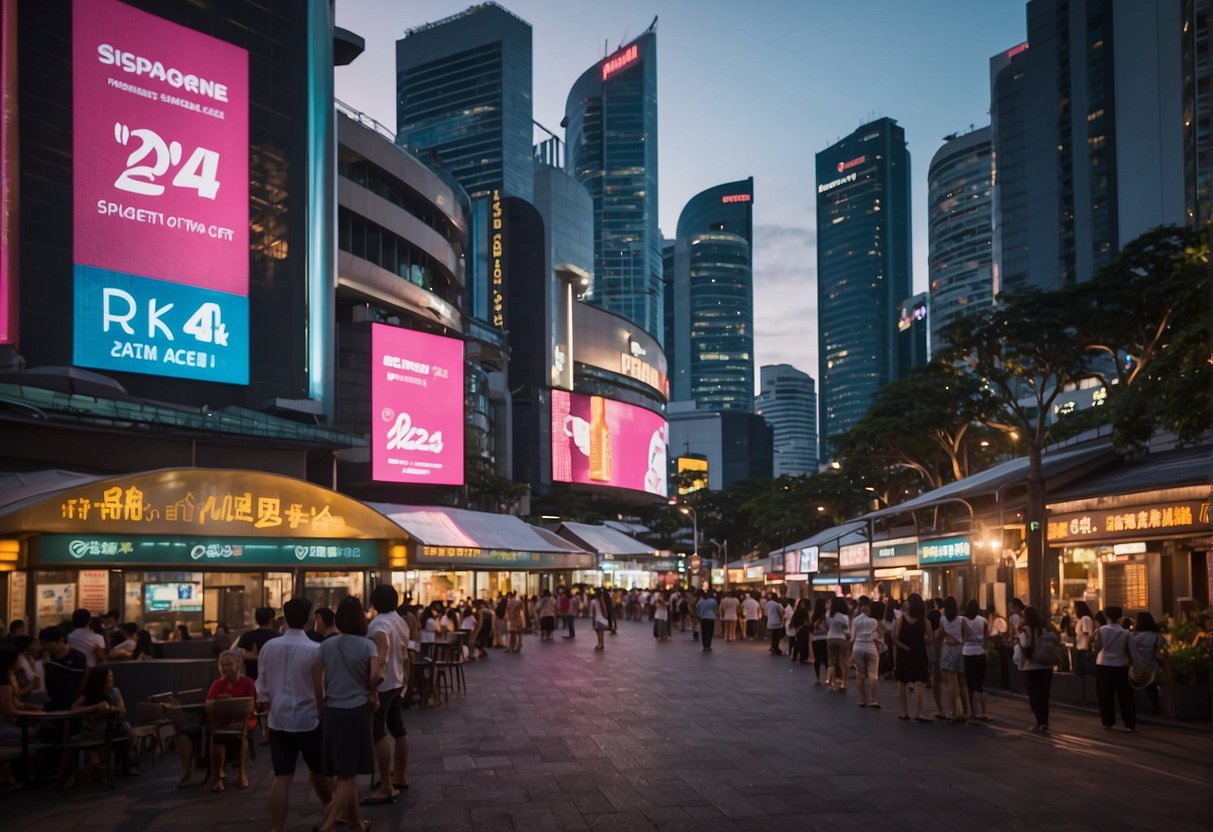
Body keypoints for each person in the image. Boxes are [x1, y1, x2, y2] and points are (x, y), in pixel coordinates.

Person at [255, 597, 333, 832]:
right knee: (320, 773)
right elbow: (323, 687)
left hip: (278, 720)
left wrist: (270, 717)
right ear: (310, 619)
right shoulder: (316, 649)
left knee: (282, 777)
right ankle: (331, 813)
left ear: (285, 618)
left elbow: (262, 689)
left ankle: (277, 828)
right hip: (309, 719)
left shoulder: (269, 647)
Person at [316, 597, 381, 832]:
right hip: (357, 712)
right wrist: (372, 690)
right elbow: (375, 676)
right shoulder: (368, 645)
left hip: (333, 710)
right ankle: (330, 823)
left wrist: (322, 708)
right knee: (348, 774)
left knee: (342, 769)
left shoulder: (326, 646)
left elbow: (317, 680)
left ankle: (355, 822)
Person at [365, 585, 411, 805]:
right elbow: (405, 654)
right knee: (397, 728)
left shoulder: (379, 623)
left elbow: (382, 646)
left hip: (382, 685)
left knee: (378, 730)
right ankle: (400, 776)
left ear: (374, 602)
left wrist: (376, 677)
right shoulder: (400, 620)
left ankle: (386, 785)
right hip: (397, 681)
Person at [206, 650, 257, 791]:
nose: (226, 668)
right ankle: (219, 776)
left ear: (238, 664)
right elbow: (208, 705)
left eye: (229, 664)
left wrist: (231, 704)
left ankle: (242, 773)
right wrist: (220, 703)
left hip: (243, 721)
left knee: (238, 732)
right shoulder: (218, 684)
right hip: (222, 721)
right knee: (217, 735)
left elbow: (250, 705)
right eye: (223, 665)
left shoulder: (248, 682)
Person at [1092, 605, 1136, 732]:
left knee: (1105, 694)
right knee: (1125, 695)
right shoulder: (1126, 632)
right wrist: (1138, 666)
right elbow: (1132, 652)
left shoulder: (1101, 630)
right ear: (1120, 617)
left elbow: (1097, 647)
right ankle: (1129, 723)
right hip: (1121, 665)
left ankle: (1108, 721)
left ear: (1106, 616)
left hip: (1103, 664)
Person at [893, 593, 932, 722]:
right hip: (919, 653)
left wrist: (904, 647)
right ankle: (920, 712)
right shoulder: (925, 621)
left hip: (904, 654)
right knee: (919, 682)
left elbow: (895, 637)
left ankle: (904, 712)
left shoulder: (901, 619)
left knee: (902, 682)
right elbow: (930, 640)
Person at [1018, 605, 1053, 733]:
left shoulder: (1025, 630)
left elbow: (1025, 647)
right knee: (1044, 695)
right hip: (1046, 665)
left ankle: (1039, 722)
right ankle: (1045, 722)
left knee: (1034, 696)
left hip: (1032, 666)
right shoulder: (1044, 629)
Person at [937, 596, 970, 722]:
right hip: (960, 649)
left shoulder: (943, 619)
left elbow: (940, 634)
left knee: (951, 683)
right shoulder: (961, 620)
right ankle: (966, 712)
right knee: (962, 683)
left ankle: (953, 711)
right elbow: (966, 635)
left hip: (947, 649)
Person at [960, 599, 991, 723]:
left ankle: (973, 713)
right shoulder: (983, 621)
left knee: (971, 683)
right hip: (980, 653)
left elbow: (964, 637)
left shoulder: (963, 621)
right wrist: (984, 649)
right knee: (980, 684)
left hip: (967, 652)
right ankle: (983, 712)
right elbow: (986, 638)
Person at [850, 599, 882, 708]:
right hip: (870, 646)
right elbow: (880, 635)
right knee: (873, 675)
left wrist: (850, 653)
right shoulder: (874, 621)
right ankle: (872, 699)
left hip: (858, 646)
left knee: (860, 674)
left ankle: (861, 699)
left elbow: (852, 637)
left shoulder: (855, 620)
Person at [236, 607, 278, 680]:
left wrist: (254, 656)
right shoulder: (277, 637)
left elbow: (239, 655)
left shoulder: (247, 636)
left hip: (251, 679)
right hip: (272, 679)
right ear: (272, 620)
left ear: (256, 619)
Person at [825, 596, 851, 691]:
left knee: (831, 662)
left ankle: (831, 684)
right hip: (841, 638)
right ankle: (843, 683)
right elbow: (847, 631)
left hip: (830, 638)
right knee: (843, 662)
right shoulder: (844, 616)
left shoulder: (828, 614)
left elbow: (828, 626)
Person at [1073, 600, 1096, 674]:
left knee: (1085, 671)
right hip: (1081, 648)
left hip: (1084, 649)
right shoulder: (1082, 619)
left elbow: (1087, 633)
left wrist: (1087, 647)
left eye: (1075, 608)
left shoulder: (1085, 619)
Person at [810, 598, 829, 686]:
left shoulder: (813, 616)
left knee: (817, 659)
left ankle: (817, 678)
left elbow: (811, 628)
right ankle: (827, 678)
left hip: (816, 639)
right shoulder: (826, 615)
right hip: (825, 638)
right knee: (826, 659)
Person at [790, 599, 810, 664]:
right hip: (803, 629)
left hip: (798, 629)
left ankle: (795, 656)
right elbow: (807, 621)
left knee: (798, 643)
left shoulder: (797, 611)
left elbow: (793, 620)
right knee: (803, 644)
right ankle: (803, 657)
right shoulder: (804, 611)